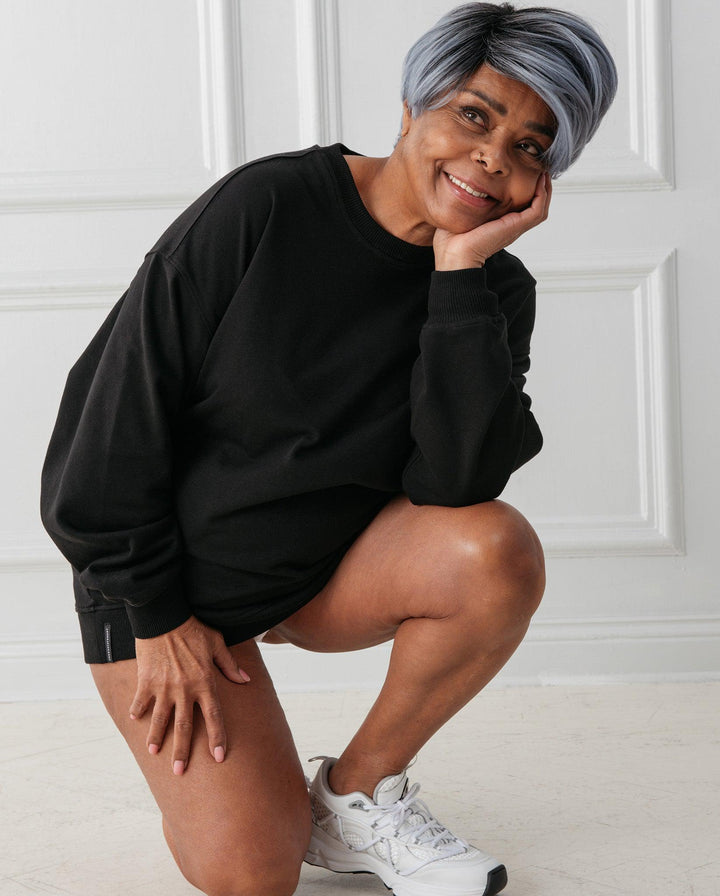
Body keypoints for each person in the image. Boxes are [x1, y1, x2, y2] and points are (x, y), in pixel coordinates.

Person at [40, 3, 617, 895]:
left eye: (531, 147)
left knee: (494, 549)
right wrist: (156, 615)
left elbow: (455, 483)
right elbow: (108, 422)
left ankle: (357, 795)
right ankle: (251, 780)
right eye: (474, 115)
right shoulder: (266, 206)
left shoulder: (491, 289)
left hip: (326, 570)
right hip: (168, 580)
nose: (493, 158)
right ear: (411, 107)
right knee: (253, 873)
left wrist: (458, 276)